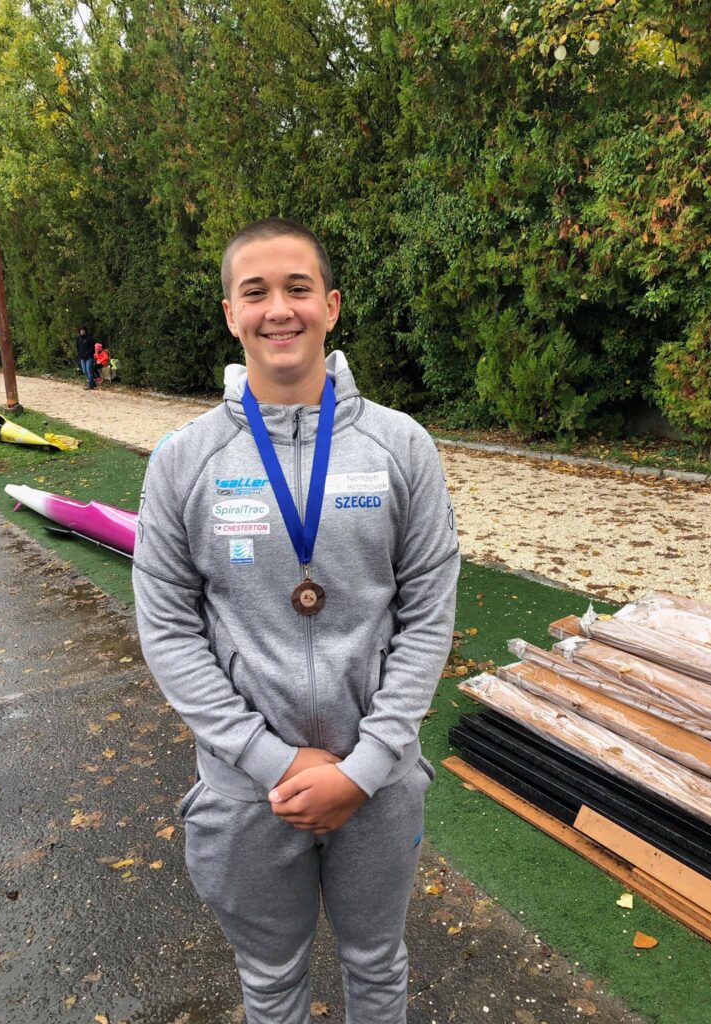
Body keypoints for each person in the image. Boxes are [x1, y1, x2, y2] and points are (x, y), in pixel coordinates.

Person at [132, 217, 459, 1024]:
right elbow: (168, 628)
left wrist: (365, 766)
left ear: (331, 306)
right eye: (256, 292)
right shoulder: (184, 460)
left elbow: (427, 614)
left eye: (298, 288)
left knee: (377, 965)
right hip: (247, 792)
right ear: (230, 314)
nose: (279, 309)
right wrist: (269, 759)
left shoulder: (401, 448)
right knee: (271, 979)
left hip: (377, 785)